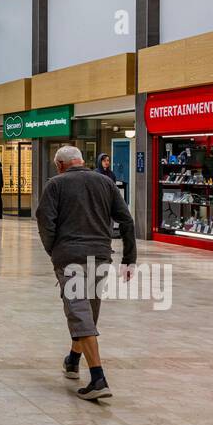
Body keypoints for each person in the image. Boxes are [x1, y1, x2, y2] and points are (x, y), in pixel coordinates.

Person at [36, 145, 136, 402]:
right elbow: (126, 220)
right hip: (100, 256)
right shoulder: (105, 183)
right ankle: (73, 360)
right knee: (88, 311)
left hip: (70, 258)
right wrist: (129, 259)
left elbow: (45, 222)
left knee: (80, 314)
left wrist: (54, 250)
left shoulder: (55, 185)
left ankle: (98, 377)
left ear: (60, 165)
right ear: (81, 161)